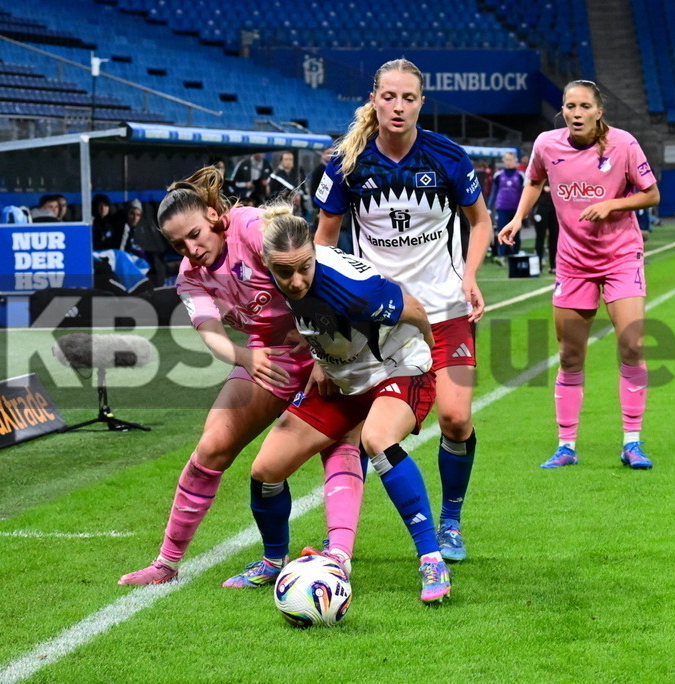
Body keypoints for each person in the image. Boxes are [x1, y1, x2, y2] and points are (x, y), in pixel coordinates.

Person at [117, 167, 361, 587]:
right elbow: (209, 330)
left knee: (339, 443)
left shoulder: (249, 227)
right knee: (211, 448)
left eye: (194, 235)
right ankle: (167, 563)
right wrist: (244, 356)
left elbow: (311, 272)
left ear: (212, 216)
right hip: (270, 359)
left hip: (331, 341)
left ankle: (339, 557)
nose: (190, 249)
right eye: (178, 244)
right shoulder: (190, 276)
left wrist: (326, 351)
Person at [313, 58, 492, 563]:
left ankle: (450, 522)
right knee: (362, 429)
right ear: (374, 99)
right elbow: (321, 244)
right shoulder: (347, 163)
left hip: (445, 309)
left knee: (456, 419)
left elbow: (479, 222)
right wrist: (327, 324)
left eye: (408, 98)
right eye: (388, 97)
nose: (397, 107)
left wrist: (471, 274)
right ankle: (340, 541)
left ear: (421, 103)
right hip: (377, 318)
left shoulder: (447, 157)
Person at [226, 204, 450, 603]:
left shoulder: (352, 289)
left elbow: (413, 309)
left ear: (314, 253)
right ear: (268, 264)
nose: (296, 281)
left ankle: (431, 559)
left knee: (377, 440)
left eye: (304, 268)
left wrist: (428, 358)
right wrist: (319, 360)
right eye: (285, 272)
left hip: (399, 369)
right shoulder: (271, 274)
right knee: (265, 470)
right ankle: (273, 560)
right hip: (344, 381)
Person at [498, 79, 660, 470]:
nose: (575, 113)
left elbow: (651, 194)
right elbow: (535, 180)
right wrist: (519, 219)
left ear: (598, 112)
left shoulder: (623, 144)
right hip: (573, 263)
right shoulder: (546, 145)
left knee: (633, 345)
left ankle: (632, 442)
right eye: (569, 106)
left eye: (584, 106)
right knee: (570, 355)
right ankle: (566, 445)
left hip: (621, 257)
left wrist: (613, 205)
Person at [488, 151, 526, 257]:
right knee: (502, 232)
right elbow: (494, 192)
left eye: (510, 160)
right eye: (506, 160)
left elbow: (525, 193)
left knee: (516, 233)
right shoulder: (498, 175)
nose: (508, 162)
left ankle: (516, 254)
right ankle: (502, 256)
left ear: (515, 160)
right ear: (503, 161)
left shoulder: (520, 175)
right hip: (502, 208)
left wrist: (525, 210)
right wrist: (489, 208)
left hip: (516, 209)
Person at [267, 151, 308, 218]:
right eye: (286, 159)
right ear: (281, 161)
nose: (288, 162)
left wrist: (300, 196)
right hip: (281, 208)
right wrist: (285, 195)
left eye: (290, 159)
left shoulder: (298, 174)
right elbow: (271, 194)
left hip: (297, 209)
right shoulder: (276, 176)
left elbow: (304, 190)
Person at [533, 179, 558, 274]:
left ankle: (553, 265)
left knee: (554, 237)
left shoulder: (558, 172)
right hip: (541, 208)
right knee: (540, 237)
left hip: (555, 208)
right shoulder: (540, 175)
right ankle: (538, 265)